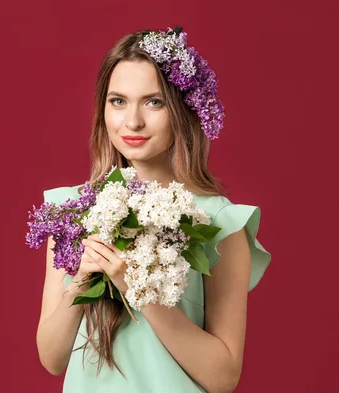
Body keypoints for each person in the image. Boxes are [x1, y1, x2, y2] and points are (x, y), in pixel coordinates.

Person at [35, 26, 271, 393]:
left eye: (153, 102)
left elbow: (224, 377)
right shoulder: (73, 211)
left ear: (182, 109)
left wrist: (136, 287)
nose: (133, 122)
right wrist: (81, 280)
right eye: (118, 101)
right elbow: (52, 358)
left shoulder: (219, 222)